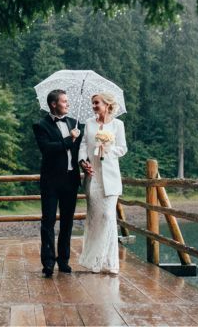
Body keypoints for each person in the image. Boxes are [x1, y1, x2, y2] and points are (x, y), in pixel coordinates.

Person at [32, 89, 86, 278]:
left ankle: (64, 261)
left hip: (71, 180)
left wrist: (84, 162)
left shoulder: (74, 123)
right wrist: (69, 139)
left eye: (68, 101)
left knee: (67, 223)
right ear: (54, 104)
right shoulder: (41, 125)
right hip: (51, 182)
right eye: (64, 101)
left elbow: (81, 149)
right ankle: (48, 263)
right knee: (48, 222)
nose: (68, 104)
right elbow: (47, 149)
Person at [77, 92, 127, 274]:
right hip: (93, 176)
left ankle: (111, 262)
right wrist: (83, 163)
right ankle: (95, 261)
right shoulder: (89, 124)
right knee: (95, 219)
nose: (94, 106)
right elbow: (83, 145)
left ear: (107, 104)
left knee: (108, 216)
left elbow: (123, 148)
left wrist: (108, 149)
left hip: (111, 177)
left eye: (97, 103)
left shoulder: (117, 125)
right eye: (93, 103)